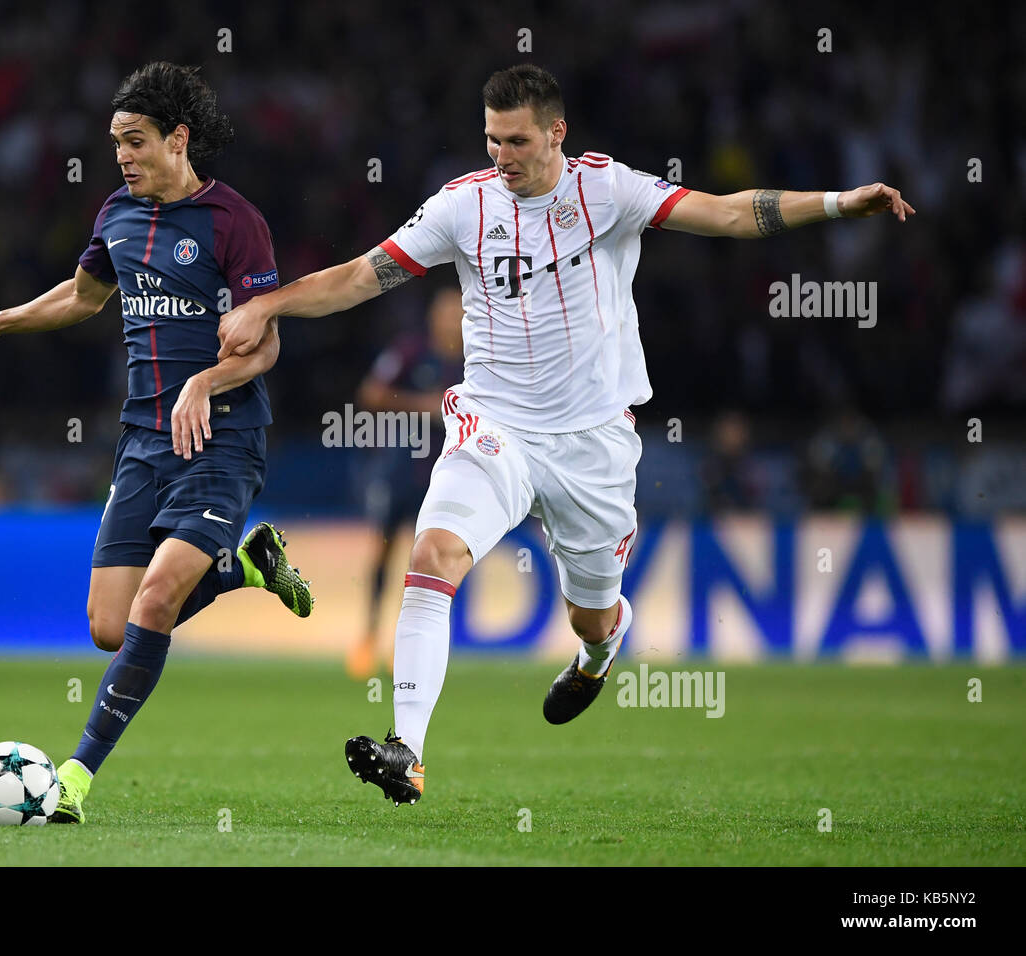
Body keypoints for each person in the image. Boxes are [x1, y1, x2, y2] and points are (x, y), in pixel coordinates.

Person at [217, 64, 914, 806]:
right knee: (435, 553)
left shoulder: (607, 192)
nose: (501, 156)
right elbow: (362, 275)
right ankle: (408, 750)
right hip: (494, 426)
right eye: (491, 140)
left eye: (517, 141)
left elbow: (729, 214)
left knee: (591, 610)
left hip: (592, 446)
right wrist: (271, 308)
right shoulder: (463, 207)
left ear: (557, 133)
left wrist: (840, 203)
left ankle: (600, 648)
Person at [0, 61, 313, 823]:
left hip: (222, 439)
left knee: (155, 596)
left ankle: (75, 777)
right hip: (142, 443)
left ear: (178, 140)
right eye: (116, 142)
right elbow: (83, 295)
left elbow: (265, 344)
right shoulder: (116, 212)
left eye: (136, 141)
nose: (123, 155)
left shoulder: (233, 222)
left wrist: (206, 382)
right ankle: (247, 566)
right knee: (111, 626)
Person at [348, 286, 463, 679]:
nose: (453, 320)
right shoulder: (411, 352)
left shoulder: (475, 363)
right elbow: (371, 394)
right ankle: (369, 637)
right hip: (399, 470)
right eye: (448, 311)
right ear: (434, 315)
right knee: (383, 550)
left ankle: (411, 646)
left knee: (429, 559)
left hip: (448, 477)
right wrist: (424, 405)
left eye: (460, 313)